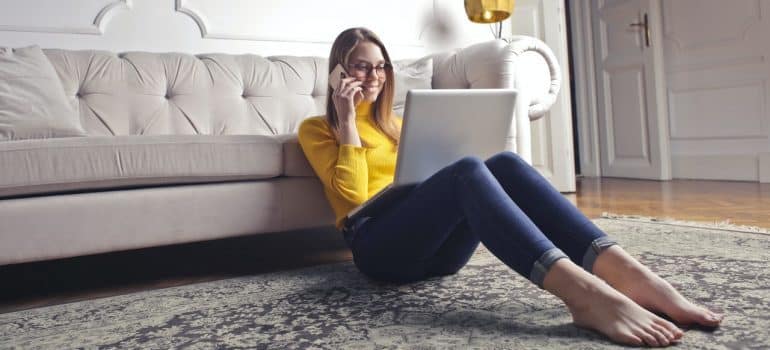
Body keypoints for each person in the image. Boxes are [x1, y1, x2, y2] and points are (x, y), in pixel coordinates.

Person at [298, 27, 723, 347]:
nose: (373, 74)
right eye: (360, 65)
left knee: (501, 162)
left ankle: (627, 274)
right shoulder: (317, 129)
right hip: (378, 248)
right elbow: (352, 197)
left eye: (380, 65)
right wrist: (348, 120)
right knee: (466, 169)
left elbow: (433, 187)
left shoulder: (400, 126)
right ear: (339, 70)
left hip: (439, 255)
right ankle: (585, 294)